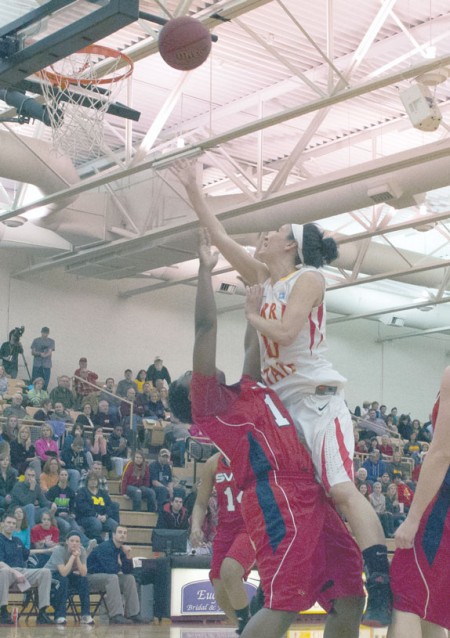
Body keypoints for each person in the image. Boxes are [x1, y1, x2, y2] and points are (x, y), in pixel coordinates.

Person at [179, 165, 392, 626]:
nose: (264, 235)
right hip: (285, 410)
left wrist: (251, 315)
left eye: (274, 231)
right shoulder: (261, 274)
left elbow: (287, 328)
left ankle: (380, 578)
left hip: (318, 401)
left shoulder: (309, 278)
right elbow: (217, 234)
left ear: (293, 244)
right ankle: (311, 590)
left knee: (340, 489)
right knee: (312, 508)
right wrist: (196, 191)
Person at [388, 367, 450, 638]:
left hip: (443, 504)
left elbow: (441, 453)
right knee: (431, 607)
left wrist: (413, 519)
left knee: (407, 595)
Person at [190, 452, 256, 634]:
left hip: (251, 525)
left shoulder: (254, 455)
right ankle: (249, 630)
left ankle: (248, 629)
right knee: (219, 592)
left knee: (230, 570)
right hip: (225, 529)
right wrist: (195, 526)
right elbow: (201, 503)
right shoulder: (212, 463)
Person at [0, 512, 53, 624]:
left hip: (22, 572)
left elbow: (28, 553)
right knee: (3, 572)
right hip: (6, 572)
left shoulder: (17, 541)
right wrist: (15, 572)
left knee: (45, 572)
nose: (11, 525)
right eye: (8, 522)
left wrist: (46, 550)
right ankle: (3, 612)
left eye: (13, 523)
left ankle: (42, 612)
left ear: (15, 526)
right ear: (2, 524)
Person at [87, 526, 147, 624]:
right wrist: (119, 563)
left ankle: (134, 614)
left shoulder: (121, 549)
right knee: (113, 578)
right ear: (114, 535)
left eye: (124, 533)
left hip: (107, 578)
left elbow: (128, 571)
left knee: (129, 578)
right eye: (120, 532)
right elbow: (110, 570)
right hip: (91, 577)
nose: (122, 535)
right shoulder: (105, 547)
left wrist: (127, 556)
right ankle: (116, 615)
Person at [44, 530, 94, 625]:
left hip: (67, 573)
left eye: (77, 541)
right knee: (63, 580)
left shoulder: (82, 550)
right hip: (50, 574)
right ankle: (60, 616)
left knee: (83, 580)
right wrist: (72, 557)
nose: (74, 543)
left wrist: (78, 557)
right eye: (72, 541)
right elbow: (63, 572)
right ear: (67, 541)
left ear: (80, 543)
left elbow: (83, 573)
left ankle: (85, 615)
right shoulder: (59, 550)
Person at [75, 471, 119, 543]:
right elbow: (83, 507)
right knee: (96, 523)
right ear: (87, 481)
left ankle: (112, 544)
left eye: (95, 480)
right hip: (86, 517)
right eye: (91, 480)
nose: (93, 482)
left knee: (114, 525)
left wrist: (106, 516)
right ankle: (95, 543)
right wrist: (96, 515)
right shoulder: (82, 492)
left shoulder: (102, 493)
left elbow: (109, 505)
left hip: (103, 517)